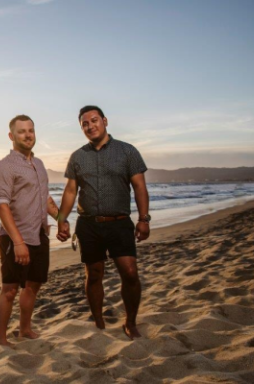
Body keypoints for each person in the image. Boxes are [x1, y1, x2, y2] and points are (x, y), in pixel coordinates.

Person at [56, 105, 150, 340]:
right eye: (85, 124)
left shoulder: (127, 151)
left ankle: (130, 322)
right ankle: (99, 321)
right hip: (88, 225)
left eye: (94, 120)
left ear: (105, 121)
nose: (90, 126)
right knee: (94, 274)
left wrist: (144, 219)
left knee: (129, 272)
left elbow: (139, 186)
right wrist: (61, 219)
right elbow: (70, 191)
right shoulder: (78, 157)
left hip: (120, 223)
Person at [0, 114, 64, 347]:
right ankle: (1, 340)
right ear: (11, 136)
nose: (28, 135)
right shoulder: (4, 167)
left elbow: (44, 198)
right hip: (15, 238)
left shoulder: (39, 165)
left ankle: (24, 330)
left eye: (31, 130)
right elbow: (1, 204)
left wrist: (61, 219)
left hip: (40, 234)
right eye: (22, 131)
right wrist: (19, 242)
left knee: (33, 286)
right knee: (10, 290)